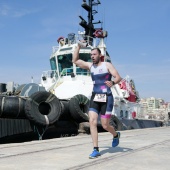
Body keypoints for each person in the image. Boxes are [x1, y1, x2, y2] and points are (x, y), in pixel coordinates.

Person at [72, 42, 122, 159]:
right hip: (95, 97)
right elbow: (75, 61)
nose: (92, 56)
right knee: (92, 122)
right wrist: (78, 47)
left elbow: (118, 77)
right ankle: (96, 149)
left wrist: (113, 82)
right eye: (91, 55)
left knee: (105, 125)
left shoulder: (107, 65)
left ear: (100, 55)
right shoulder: (90, 66)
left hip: (107, 97)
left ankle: (115, 135)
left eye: (94, 54)